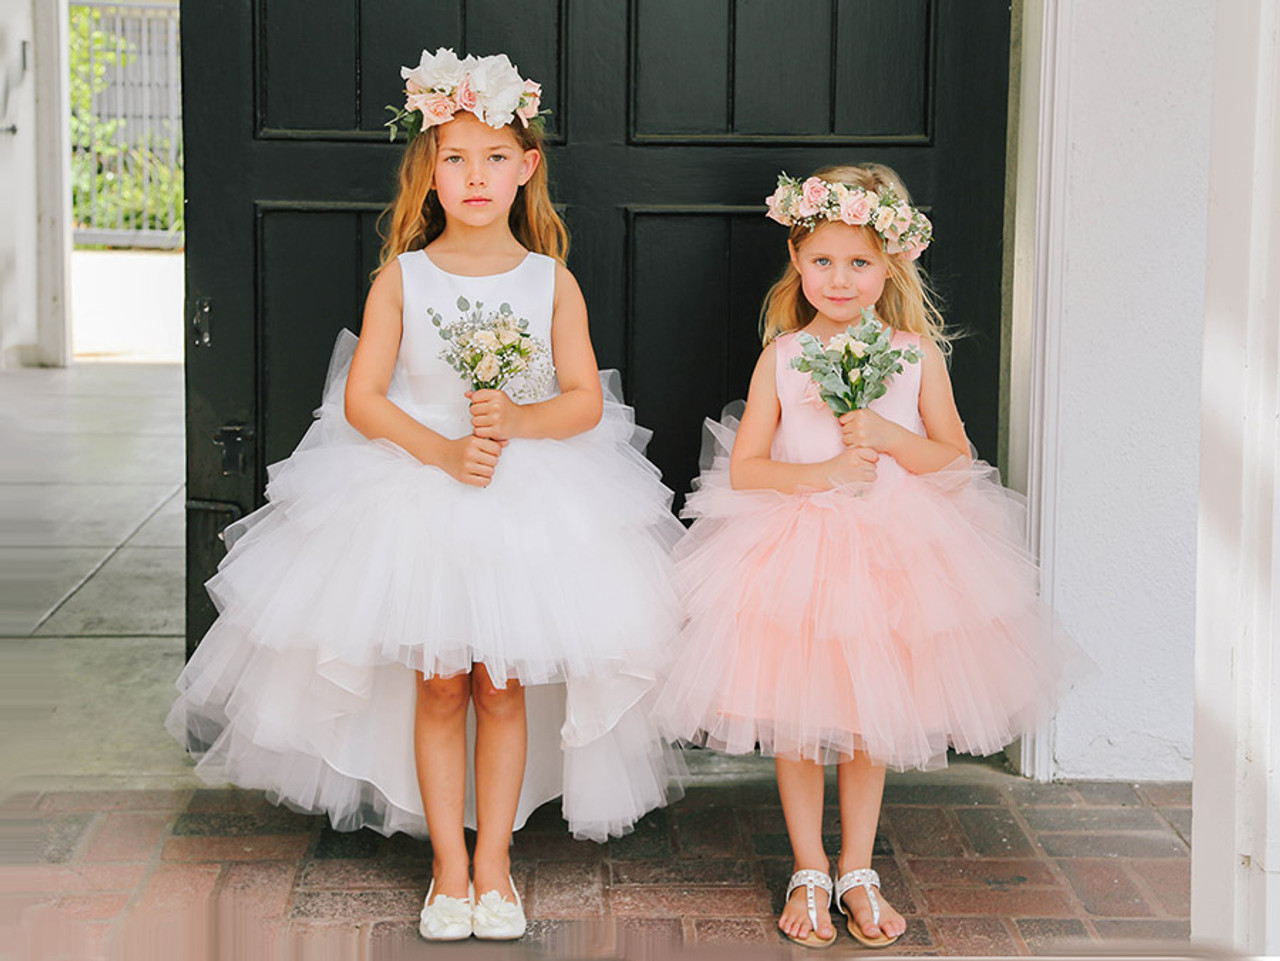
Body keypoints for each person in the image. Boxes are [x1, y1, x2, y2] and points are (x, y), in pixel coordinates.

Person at [167, 48, 684, 943]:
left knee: (502, 684)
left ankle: (496, 863)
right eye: (455, 158)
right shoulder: (402, 280)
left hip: (529, 504)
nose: (475, 176)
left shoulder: (548, 280)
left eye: (494, 158)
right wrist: (444, 450)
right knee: (440, 683)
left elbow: (583, 400)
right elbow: (364, 397)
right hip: (418, 488)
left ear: (527, 169)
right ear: (429, 171)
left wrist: (515, 421)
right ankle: (448, 864)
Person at [653, 164, 1066, 948]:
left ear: (891, 266)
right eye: (822, 262)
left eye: (860, 263)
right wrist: (822, 475)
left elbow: (954, 456)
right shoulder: (781, 356)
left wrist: (888, 438)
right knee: (802, 720)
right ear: (798, 262)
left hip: (894, 557)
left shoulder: (913, 354)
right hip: (795, 558)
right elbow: (746, 468)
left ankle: (857, 866)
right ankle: (808, 866)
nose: (838, 280)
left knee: (873, 720)